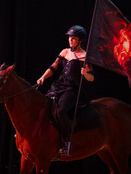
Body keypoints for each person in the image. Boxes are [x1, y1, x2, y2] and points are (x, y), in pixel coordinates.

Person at [37, 25, 94, 155]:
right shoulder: (65, 52)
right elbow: (53, 67)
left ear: (80, 40)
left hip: (72, 89)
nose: (70, 40)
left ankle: (67, 141)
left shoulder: (84, 56)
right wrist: (43, 77)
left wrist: (85, 74)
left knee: (61, 110)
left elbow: (91, 78)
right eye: (69, 38)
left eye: (73, 38)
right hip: (59, 86)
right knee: (45, 105)